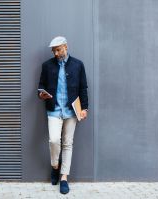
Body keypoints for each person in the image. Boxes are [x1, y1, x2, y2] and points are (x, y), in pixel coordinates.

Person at [38, 36, 89, 194]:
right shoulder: (47, 66)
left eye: (58, 50)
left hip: (71, 111)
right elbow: (41, 86)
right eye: (54, 51)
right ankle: (55, 166)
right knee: (54, 140)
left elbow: (83, 88)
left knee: (67, 143)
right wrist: (41, 95)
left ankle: (64, 178)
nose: (56, 54)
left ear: (66, 47)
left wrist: (84, 108)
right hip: (54, 110)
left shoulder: (78, 65)